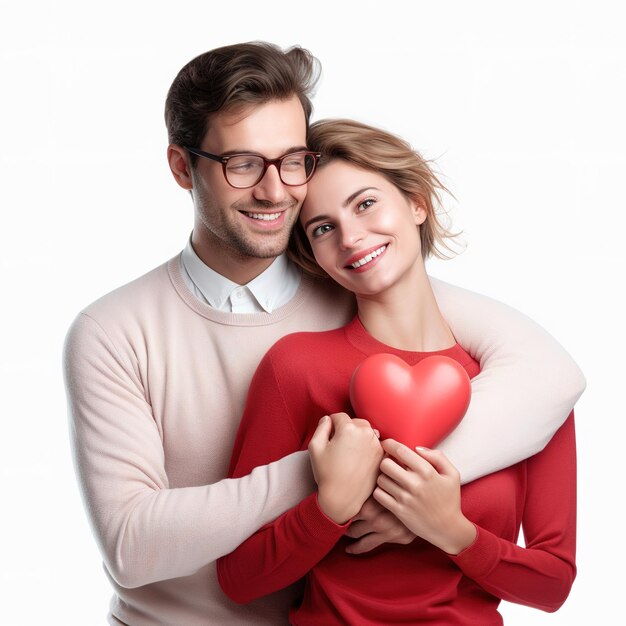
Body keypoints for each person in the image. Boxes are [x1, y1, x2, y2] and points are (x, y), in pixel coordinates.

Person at [63, 42, 584, 625]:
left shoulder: (357, 286)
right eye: (241, 163)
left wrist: (412, 498)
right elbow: (131, 546)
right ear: (183, 167)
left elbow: (551, 375)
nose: (274, 189)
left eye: (291, 160)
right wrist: (329, 479)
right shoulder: (112, 331)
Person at [217, 118, 578, 624]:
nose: (351, 237)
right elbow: (238, 578)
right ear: (314, 255)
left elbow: (553, 584)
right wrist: (330, 511)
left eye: (365, 204)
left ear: (416, 203)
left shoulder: (522, 390)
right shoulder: (295, 367)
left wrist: (451, 531)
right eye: (323, 228)